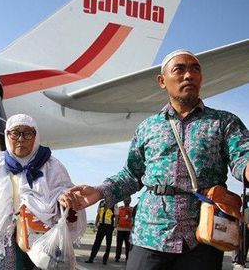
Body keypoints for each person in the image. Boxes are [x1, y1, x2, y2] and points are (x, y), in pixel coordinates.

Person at [60, 49, 249, 270]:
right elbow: (131, 175)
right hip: (151, 233)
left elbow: (242, 156)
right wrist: (100, 191)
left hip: (203, 235)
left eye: (195, 69)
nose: (188, 75)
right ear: (162, 81)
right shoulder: (148, 127)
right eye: (179, 69)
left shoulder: (224, 122)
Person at [0, 114, 86, 270]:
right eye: (15, 133)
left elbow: (65, 190)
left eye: (27, 133)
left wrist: (64, 198)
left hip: (40, 240)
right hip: (2, 237)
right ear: (7, 135)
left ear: (35, 136)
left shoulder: (51, 165)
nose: (21, 138)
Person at [85, 200, 115, 265]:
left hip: (109, 226)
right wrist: (96, 223)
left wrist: (115, 225)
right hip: (101, 225)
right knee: (97, 242)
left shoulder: (114, 203)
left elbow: (117, 215)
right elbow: (98, 214)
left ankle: (105, 259)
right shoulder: (101, 203)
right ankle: (91, 258)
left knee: (108, 244)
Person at [114, 196, 133, 263]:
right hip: (120, 230)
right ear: (123, 201)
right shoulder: (120, 208)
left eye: (128, 200)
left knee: (128, 246)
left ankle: (128, 258)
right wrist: (115, 226)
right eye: (125, 200)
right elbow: (116, 218)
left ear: (130, 201)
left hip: (128, 230)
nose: (126, 201)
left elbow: (134, 219)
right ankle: (117, 257)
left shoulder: (132, 209)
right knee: (119, 245)